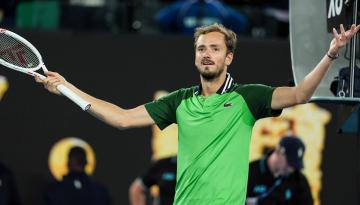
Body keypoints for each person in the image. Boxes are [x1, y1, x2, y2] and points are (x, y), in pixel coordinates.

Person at [36, 23, 360, 204]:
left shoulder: (248, 98)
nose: (207, 54)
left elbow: (301, 94)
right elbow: (121, 118)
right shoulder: (180, 102)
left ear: (228, 57)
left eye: (215, 49)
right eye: (201, 48)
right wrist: (66, 87)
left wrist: (330, 54)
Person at [246, 136, 313, 205]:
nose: (291, 169)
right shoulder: (251, 171)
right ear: (278, 152)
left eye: (295, 165)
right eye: (289, 162)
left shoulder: (298, 179)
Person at [44, 146, 111, 205]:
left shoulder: (99, 190)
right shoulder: (55, 189)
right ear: (69, 162)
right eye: (76, 159)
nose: (79, 161)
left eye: (80, 159)